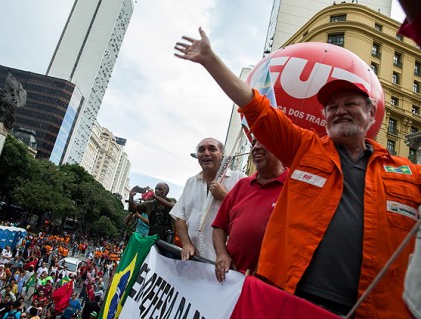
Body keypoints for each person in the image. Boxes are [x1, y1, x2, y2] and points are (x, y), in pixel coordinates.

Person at [174, 27, 421, 318]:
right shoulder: (305, 148)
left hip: (372, 311)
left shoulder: (408, 174)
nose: (339, 110)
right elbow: (256, 107)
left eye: (350, 104)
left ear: (370, 113)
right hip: (284, 301)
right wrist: (210, 59)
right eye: (331, 107)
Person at [212, 139, 288, 282]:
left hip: (268, 286)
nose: (255, 148)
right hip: (230, 279)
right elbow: (219, 226)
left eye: (262, 141)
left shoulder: (295, 188)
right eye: (253, 144)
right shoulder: (242, 185)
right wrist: (222, 254)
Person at [170, 137, 245, 262]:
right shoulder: (191, 182)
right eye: (201, 150)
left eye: (212, 149)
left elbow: (249, 214)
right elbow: (179, 217)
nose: (206, 153)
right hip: (195, 260)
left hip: (226, 264)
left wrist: (225, 197)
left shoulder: (239, 179)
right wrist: (187, 244)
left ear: (222, 155)